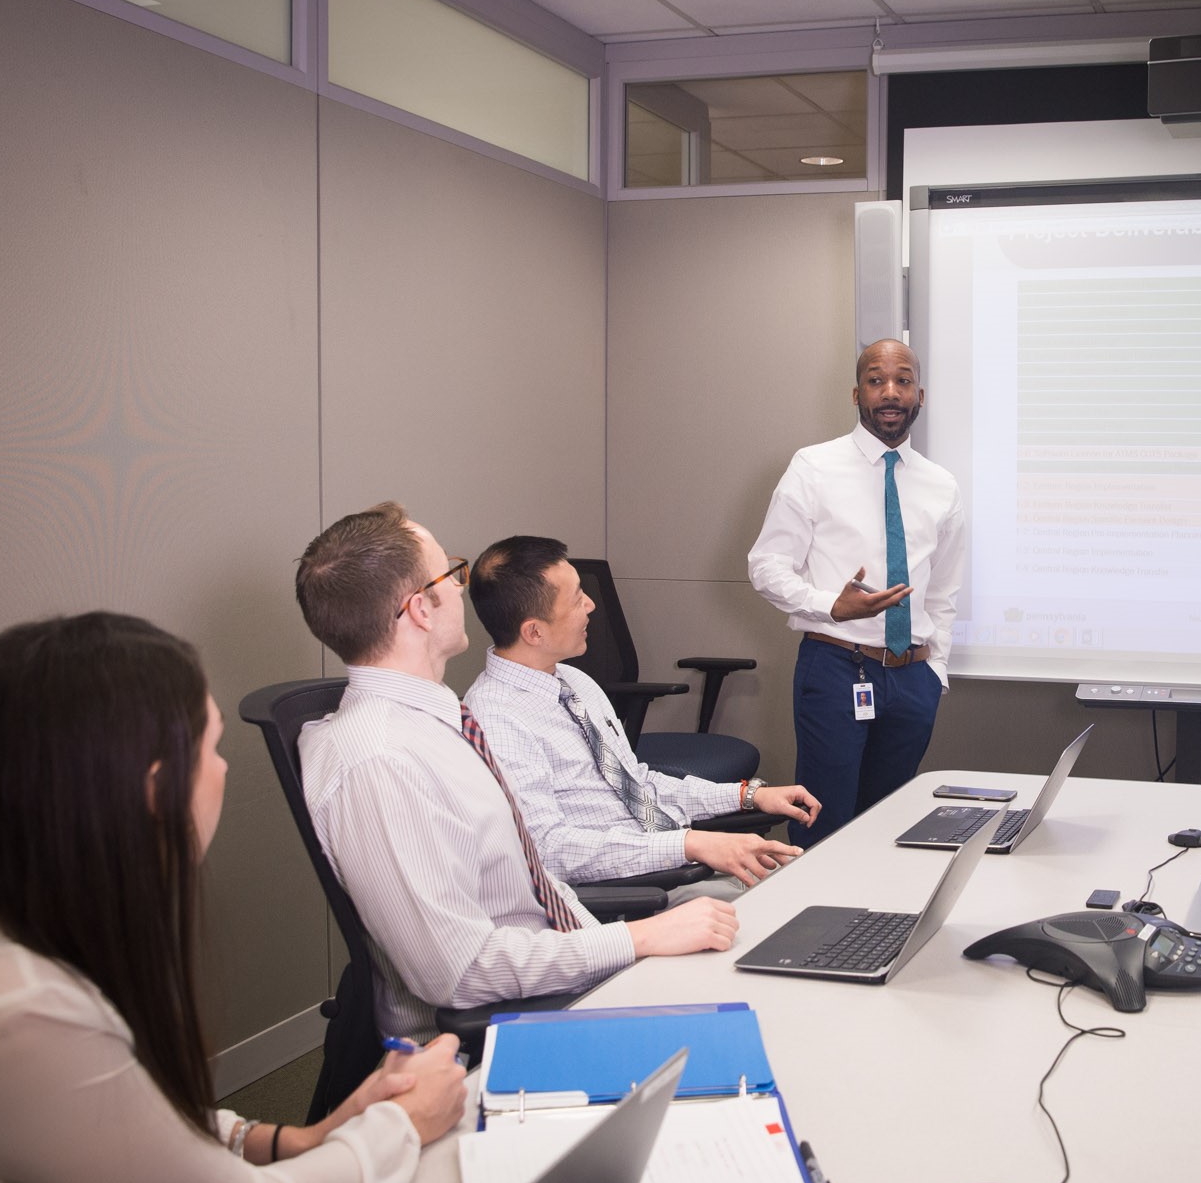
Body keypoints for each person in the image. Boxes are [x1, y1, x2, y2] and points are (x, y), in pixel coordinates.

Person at [0, 613, 467, 1183]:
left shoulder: (24, 942)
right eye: (213, 746)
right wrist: (399, 1125)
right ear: (159, 789)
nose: (222, 770)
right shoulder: (16, 1010)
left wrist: (300, 1138)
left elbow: (125, 1123)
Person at [294, 503, 739, 1042]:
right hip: (522, 1019)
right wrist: (640, 939)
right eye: (450, 574)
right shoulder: (381, 763)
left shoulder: (440, 720)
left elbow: (528, 882)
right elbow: (460, 973)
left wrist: (630, 933)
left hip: (568, 958)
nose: (462, 588)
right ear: (420, 610)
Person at [463, 536, 821, 898]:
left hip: (672, 863)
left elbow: (637, 783)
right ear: (534, 631)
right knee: (802, 912)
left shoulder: (573, 681)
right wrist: (690, 845)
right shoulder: (497, 719)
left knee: (816, 887)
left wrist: (747, 796)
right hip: (632, 892)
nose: (590, 605)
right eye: (575, 599)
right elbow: (550, 851)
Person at [748, 339, 967, 847]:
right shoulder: (813, 466)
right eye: (876, 380)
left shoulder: (942, 485)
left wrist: (935, 674)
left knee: (889, 828)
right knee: (825, 825)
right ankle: (802, 923)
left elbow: (945, 592)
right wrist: (831, 606)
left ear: (920, 394)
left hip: (913, 679)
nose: (890, 393)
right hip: (836, 668)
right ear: (856, 393)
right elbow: (765, 565)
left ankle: (874, 927)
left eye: (903, 381)